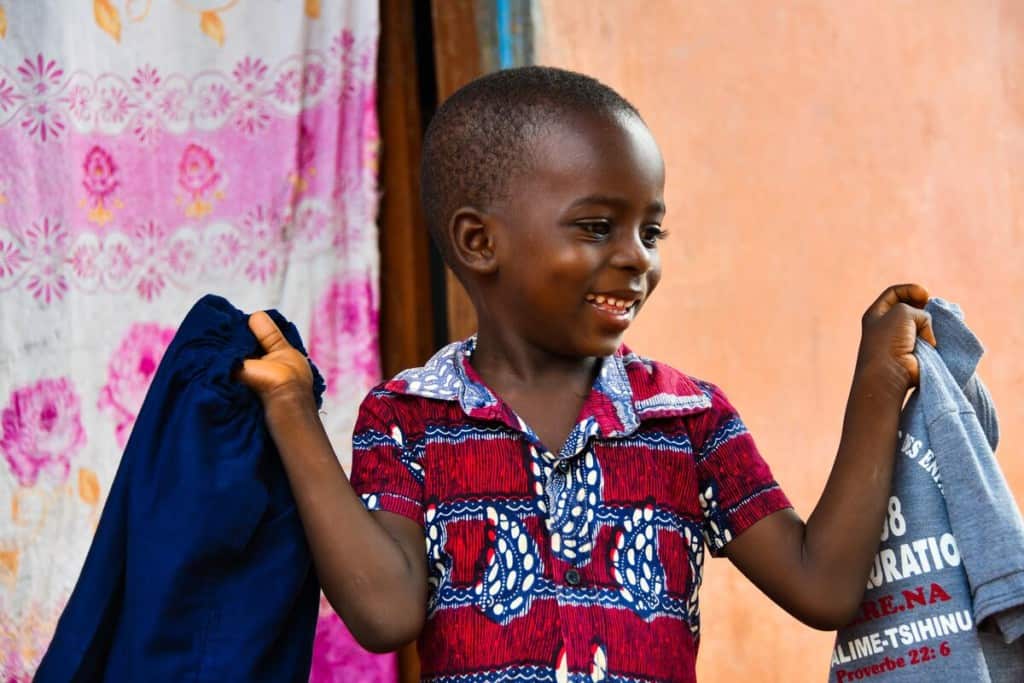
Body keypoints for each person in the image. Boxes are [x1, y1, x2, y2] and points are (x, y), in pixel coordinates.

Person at [237, 66, 937, 682]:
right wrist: (293, 412)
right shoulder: (409, 418)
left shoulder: (686, 418)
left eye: (650, 231)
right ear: (480, 243)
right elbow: (385, 613)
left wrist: (877, 384)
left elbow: (822, 584)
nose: (637, 258)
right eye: (599, 226)